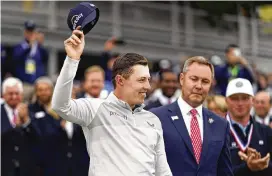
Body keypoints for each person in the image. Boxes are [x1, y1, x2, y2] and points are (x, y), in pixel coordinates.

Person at [52, 27, 172, 176]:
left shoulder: (153, 120)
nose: (147, 86)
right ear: (120, 80)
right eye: (141, 80)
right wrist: (72, 60)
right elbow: (60, 106)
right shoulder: (95, 108)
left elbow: (162, 171)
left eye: (148, 80)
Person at [150, 56, 233, 176]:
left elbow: (224, 172)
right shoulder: (156, 117)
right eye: (194, 79)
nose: (199, 86)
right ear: (182, 79)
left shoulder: (221, 124)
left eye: (205, 81)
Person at [225, 78, 272, 176]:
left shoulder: (266, 131)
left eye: (245, 98)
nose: (240, 103)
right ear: (226, 101)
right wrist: (247, 167)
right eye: (234, 98)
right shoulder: (215, 131)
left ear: (252, 101)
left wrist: (262, 165)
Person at [1, 77, 40, 176]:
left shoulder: (31, 112)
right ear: (3, 95)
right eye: (10, 94)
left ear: (22, 95)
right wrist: (16, 128)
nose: (14, 97)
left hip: (26, 169)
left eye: (17, 93)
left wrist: (26, 121)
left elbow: (38, 137)